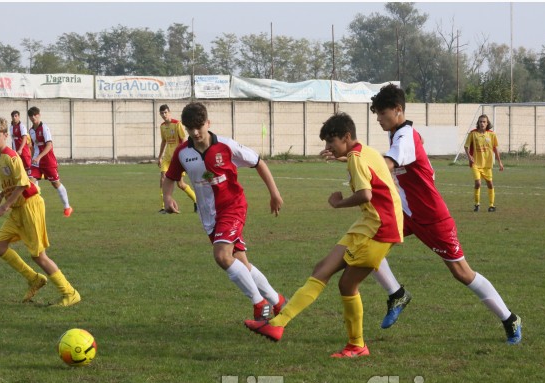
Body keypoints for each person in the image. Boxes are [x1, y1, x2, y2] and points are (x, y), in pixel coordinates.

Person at [367, 84, 521, 344]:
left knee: (462, 273)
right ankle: (397, 294)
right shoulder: (399, 133)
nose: (379, 119)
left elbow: (387, 165)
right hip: (407, 213)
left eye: (382, 114)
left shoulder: (405, 137)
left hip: (433, 217)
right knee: (367, 245)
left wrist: (356, 163)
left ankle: (510, 318)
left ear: (398, 110)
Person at [245, 112, 403, 358]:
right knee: (322, 268)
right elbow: (365, 168)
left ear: (346, 137)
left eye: (331, 142)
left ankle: (357, 346)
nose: (328, 147)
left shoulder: (356, 160)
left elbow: (365, 195)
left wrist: (338, 203)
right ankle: (277, 324)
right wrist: (340, 157)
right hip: (369, 223)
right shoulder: (364, 151)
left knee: (347, 284)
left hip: (380, 228)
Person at [162, 102, 286, 320]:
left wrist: (274, 194)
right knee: (241, 263)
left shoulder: (227, 146)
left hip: (232, 207)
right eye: (190, 128)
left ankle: (260, 305)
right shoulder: (183, 152)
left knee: (222, 256)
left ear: (208, 123)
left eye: (199, 126)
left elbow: (258, 162)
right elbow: (171, 177)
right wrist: (168, 197)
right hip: (209, 216)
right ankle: (278, 302)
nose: (195, 132)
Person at [0, 116, 81, 307]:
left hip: (30, 205)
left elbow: (22, 184)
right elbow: (13, 183)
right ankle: (34, 279)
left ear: (6, 135)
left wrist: (4, 206)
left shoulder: (11, 156)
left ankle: (70, 293)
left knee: (39, 255)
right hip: (17, 208)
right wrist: (1, 195)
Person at [27, 106, 73, 217]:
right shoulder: (31, 130)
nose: (33, 117)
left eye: (35, 115)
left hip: (48, 160)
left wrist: (39, 157)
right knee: (30, 183)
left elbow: (49, 145)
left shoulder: (44, 128)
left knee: (55, 183)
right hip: (36, 162)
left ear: (39, 115)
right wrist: (33, 157)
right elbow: (33, 146)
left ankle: (67, 207)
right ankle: (35, 207)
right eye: (31, 116)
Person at [157, 104, 197, 213]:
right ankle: (164, 207)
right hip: (166, 158)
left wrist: (184, 154)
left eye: (165, 112)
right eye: (162, 113)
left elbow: (183, 140)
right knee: (163, 180)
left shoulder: (177, 124)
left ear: (169, 112)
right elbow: (164, 141)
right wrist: (160, 156)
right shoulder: (162, 126)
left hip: (177, 158)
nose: (164, 115)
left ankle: (196, 200)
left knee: (180, 184)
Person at [464, 114, 504, 212]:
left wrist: (500, 162)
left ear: (487, 123)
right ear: (478, 123)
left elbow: (495, 149)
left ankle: (491, 205)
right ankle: (477, 204)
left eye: (484, 122)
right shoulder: (473, 134)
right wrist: (470, 157)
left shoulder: (492, 134)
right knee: (478, 183)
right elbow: (466, 147)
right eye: (480, 121)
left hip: (487, 165)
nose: (482, 123)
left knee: (490, 184)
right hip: (476, 164)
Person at [9, 110, 32, 177]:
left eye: (16, 116)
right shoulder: (11, 127)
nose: (14, 117)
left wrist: (21, 149)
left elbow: (24, 138)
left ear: (19, 117)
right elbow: (13, 140)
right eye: (13, 116)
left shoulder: (22, 126)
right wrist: (13, 150)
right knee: (20, 168)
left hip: (23, 151)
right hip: (16, 152)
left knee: (28, 169)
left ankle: (34, 184)